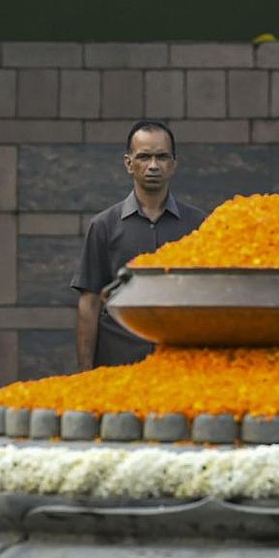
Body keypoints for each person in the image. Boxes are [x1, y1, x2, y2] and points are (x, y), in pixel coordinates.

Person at [71, 120, 206, 370]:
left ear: (174, 164)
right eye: (144, 156)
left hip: (180, 364)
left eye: (162, 157)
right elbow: (89, 303)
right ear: (128, 163)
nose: (153, 165)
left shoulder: (198, 225)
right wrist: (84, 374)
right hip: (118, 361)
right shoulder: (104, 226)